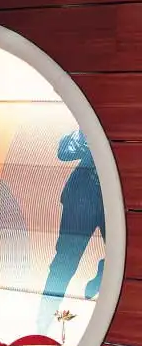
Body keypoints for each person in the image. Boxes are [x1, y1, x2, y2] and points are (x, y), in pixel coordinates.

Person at [37, 129, 105, 333]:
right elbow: (64, 152)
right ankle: (42, 324)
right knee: (64, 263)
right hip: (82, 198)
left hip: (123, 200)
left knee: (130, 256)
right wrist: (85, 133)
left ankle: (106, 269)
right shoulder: (94, 126)